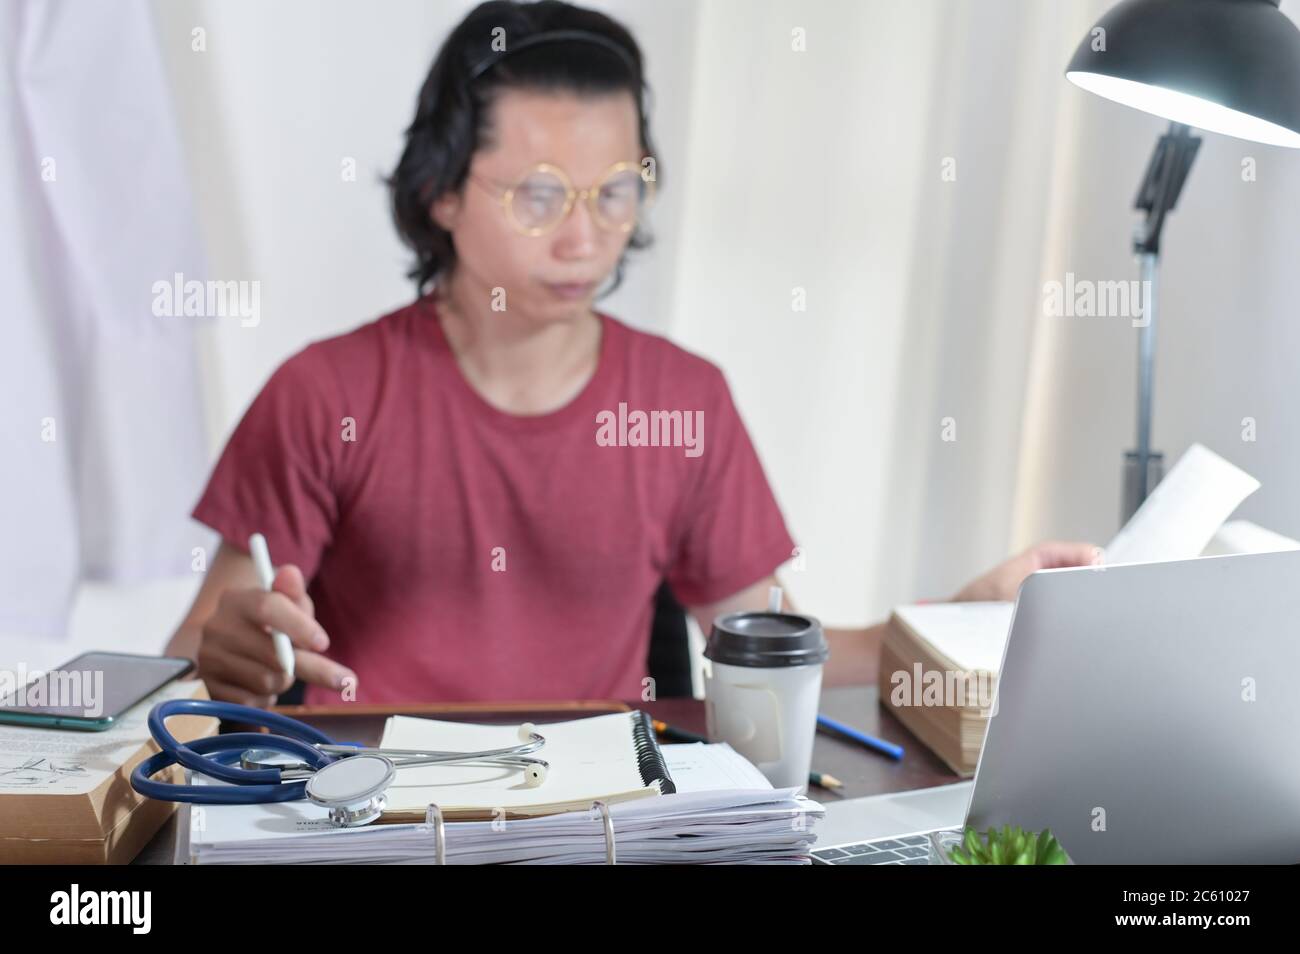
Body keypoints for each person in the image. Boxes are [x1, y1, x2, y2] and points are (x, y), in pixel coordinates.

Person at [164, 0, 1100, 707]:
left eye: (615, 191)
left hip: (603, 823)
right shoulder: (326, 393)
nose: (585, 238)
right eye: (538, 195)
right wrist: (229, 651)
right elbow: (196, 644)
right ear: (441, 190)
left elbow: (784, 647)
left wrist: (964, 617)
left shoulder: (679, 401)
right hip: (370, 822)